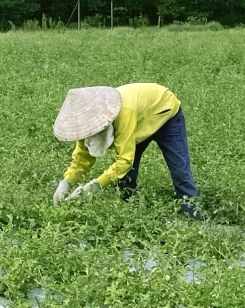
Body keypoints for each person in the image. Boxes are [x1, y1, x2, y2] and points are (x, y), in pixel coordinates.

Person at [52, 83, 202, 219]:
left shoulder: (123, 112)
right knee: (124, 178)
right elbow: (82, 158)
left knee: (180, 171)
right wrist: (66, 181)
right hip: (139, 118)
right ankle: (132, 213)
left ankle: (194, 217)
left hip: (164, 111)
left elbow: (124, 161)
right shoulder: (85, 125)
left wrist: (95, 185)